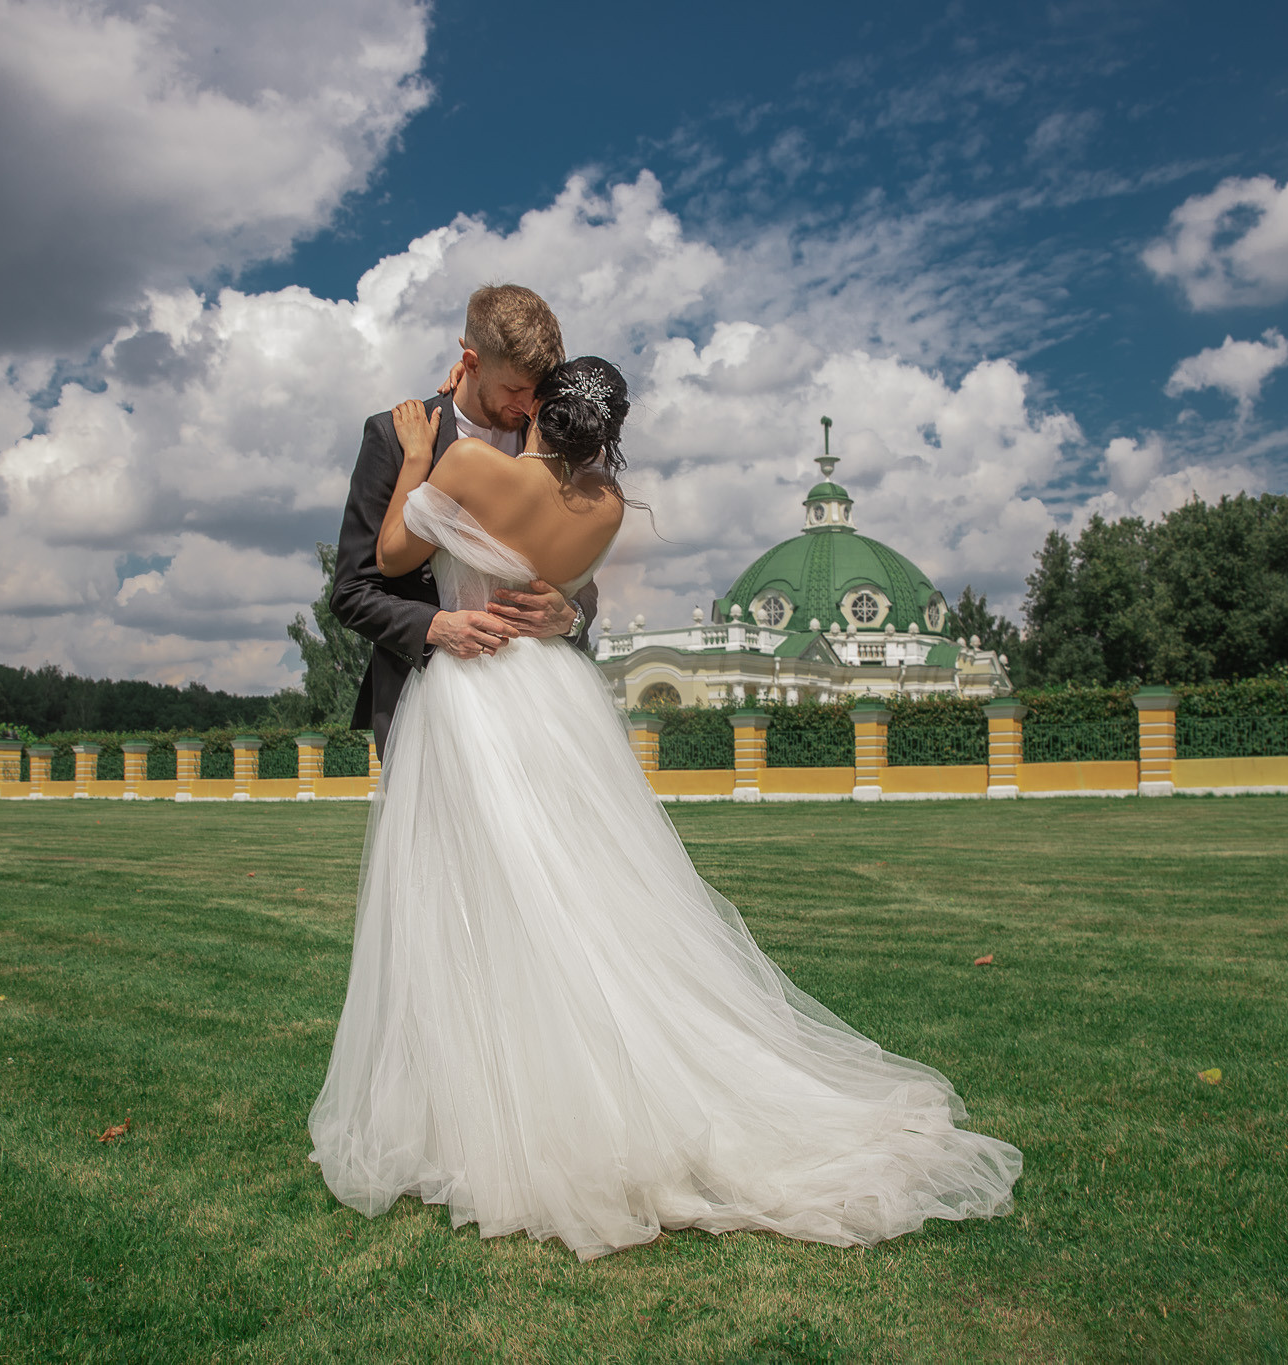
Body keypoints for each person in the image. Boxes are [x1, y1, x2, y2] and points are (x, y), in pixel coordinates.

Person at [306, 355, 1023, 1262]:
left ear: (540, 411)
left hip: (480, 700)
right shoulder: (601, 503)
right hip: (550, 701)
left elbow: (401, 556)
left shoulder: (460, 462)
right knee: (536, 901)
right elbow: (380, 588)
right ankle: (506, 1102)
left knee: (530, 900)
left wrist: (427, 474)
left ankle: (533, 1115)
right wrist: (523, 611)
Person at [328, 284, 598, 754]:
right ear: (470, 362)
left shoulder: (555, 442)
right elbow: (352, 592)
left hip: (540, 710)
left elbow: (579, 573)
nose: (528, 406)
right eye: (514, 389)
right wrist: (437, 627)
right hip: (427, 709)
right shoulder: (394, 439)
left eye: (538, 391)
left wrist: (571, 616)